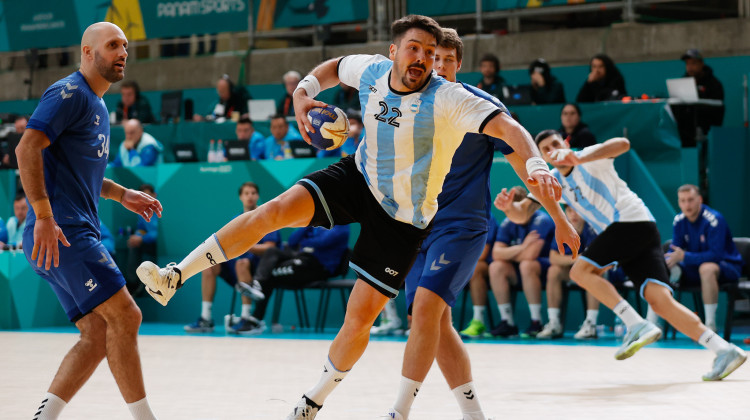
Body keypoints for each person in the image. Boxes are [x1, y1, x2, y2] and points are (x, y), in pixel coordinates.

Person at [136, 15, 574, 420]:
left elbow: (512, 132)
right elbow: (332, 66)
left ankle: (314, 401)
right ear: (393, 52)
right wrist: (303, 93)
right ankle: (176, 275)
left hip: (405, 219)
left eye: (430, 52)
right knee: (273, 211)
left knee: (361, 317)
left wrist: (537, 166)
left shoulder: (451, 99)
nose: (423, 58)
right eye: (415, 49)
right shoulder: (370, 72)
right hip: (359, 177)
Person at [505, 129, 746, 381]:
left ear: (564, 143)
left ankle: (635, 323)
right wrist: (508, 208)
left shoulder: (589, 157)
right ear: (542, 157)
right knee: (661, 302)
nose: (551, 150)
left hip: (630, 221)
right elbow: (522, 213)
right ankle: (724, 350)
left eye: (555, 143)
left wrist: (578, 156)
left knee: (580, 271)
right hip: (633, 234)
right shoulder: (553, 180)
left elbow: (623, 143)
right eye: (544, 149)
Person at [16, 22, 162, 419]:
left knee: (97, 334)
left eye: (126, 47)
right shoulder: (70, 93)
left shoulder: (97, 105)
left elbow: (82, 172)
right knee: (127, 316)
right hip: (62, 232)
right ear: (87, 52)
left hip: (60, 233)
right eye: (113, 45)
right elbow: (26, 147)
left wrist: (121, 193)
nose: (122, 53)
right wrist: (44, 215)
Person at [184, 181, 278, 333]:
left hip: (258, 270)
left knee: (242, 262)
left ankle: (246, 318)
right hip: (234, 269)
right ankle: (206, 318)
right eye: (246, 193)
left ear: (258, 196)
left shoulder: (265, 217)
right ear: (241, 197)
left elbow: (271, 247)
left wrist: (249, 247)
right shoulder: (236, 220)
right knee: (209, 265)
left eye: (253, 193)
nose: (250, 196)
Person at [243, 224, 350, 334]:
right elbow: (292, 241)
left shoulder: (342, 226)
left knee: (270, 274)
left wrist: (304, 244)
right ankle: (257, 285)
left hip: (320, 268)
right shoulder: (316, 223)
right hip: (302, 262)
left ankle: (255, 320)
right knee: (271, 252)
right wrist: (309, 225)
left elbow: (322, 242)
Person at [665, 184, 744, 332]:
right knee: (662, 267)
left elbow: (716, 255)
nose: (686, 205)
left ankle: (709, 326)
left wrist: (685, 257)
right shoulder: (679, 221)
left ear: (699, 199)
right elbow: (675, 252)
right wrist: (670, 262)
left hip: (727, 266)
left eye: (690, 200)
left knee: (706, 268)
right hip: (695, 267)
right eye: (682, 201)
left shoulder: (714, 220)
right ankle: (653, 325)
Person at [487, 186, 555, 338]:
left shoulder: (541, 220)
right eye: (509, 209)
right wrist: (523, 247)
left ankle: (537, 321)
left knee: (527, 265)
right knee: (496, 267)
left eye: (515, 208)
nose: (512, 214)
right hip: (519, 270)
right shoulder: (507, 222)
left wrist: (511, 253)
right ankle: (507, 322)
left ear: (526, 206)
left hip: (543, 270)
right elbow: (496, 254)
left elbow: (531, 255)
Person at [458, 216, 499, 338]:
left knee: (476, 268)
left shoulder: (487, 219)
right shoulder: (452, 215)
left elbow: (482, 254)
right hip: (459, 263)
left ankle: (478, 320)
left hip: (484, 265)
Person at [124, 184, 159, 294]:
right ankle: (133, 283)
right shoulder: (142, 211)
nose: (147, 199)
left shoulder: (160, 209)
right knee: (133, 245)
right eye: (144, 196)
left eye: (149, 195)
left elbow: (160, 233)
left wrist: (142, 239)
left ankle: (146, 286)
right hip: (148, 243)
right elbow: (141, 228)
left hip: (160, 246)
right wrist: (138, 236)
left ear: (155, 195)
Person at [680, 48, 725, 131]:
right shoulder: (683, 82)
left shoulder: (714, 84)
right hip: (686, 130)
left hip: (707, 130)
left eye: (693, 63)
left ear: (701, 64)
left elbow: (717, 110)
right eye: (687, 64)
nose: (690, 67)